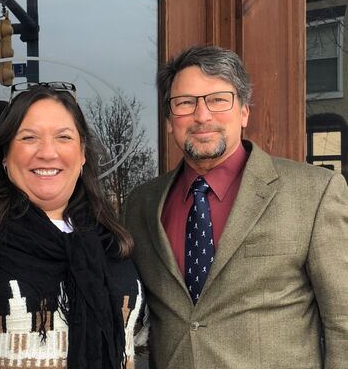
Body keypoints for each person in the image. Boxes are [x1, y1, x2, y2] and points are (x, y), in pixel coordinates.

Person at [124, 45, 348, 368]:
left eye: (218, 100)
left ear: (244, 111)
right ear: (170, 120)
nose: (202, 116)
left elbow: (343, 321)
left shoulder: (314, 193)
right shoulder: (141, 206)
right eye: (185, 103)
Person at [0, 82, 146, 369]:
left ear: (82, 153)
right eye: (29, 137)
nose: (47, 152)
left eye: (63, 137)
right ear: (5, 154)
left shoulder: (109, 234)